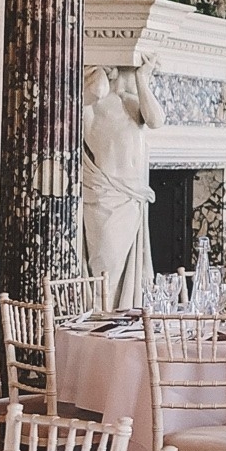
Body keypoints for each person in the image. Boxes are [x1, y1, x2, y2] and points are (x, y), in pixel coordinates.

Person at [82, 57, 164, 309]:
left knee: (124, 275)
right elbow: (95, 88)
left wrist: (142, 78)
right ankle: (97, 332)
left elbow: (156, 120)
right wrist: (98, 68)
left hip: (132, 195)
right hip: (106, 195)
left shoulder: (130, 101)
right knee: (105, 269)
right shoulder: (91, 100)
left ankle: (117, 327)